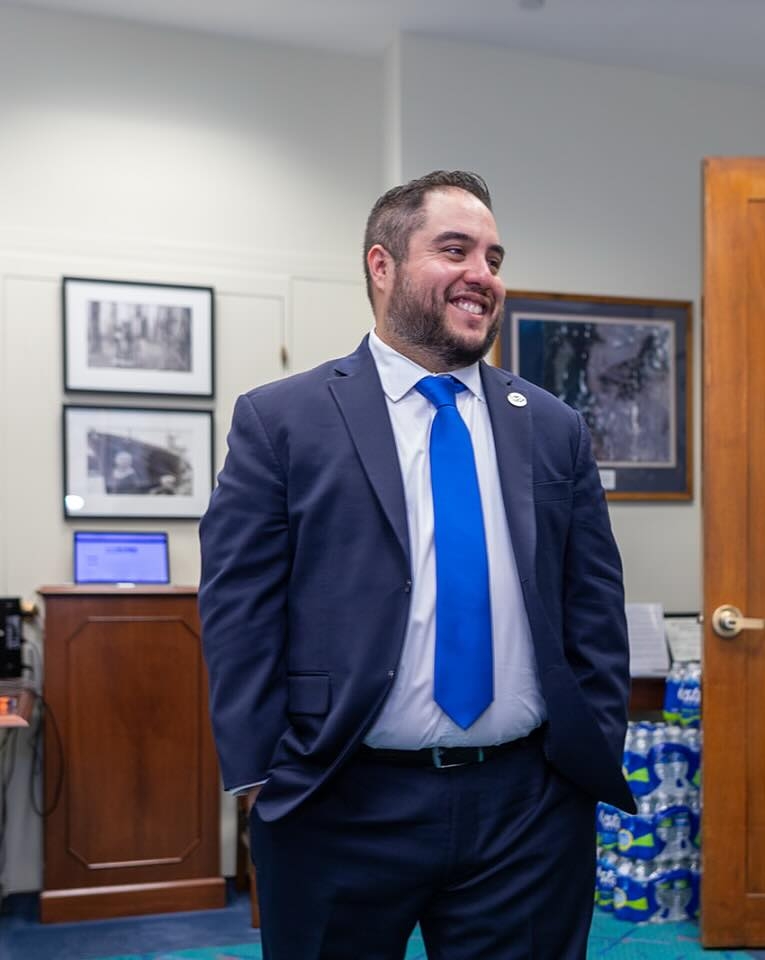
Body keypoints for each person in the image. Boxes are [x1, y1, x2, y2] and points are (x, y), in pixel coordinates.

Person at [199, 170, 633, 959]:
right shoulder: (283, 419)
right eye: (456, 250)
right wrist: (262, 777)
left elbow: (593, 606)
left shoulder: (554, 428)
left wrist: (588, 753)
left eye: (495, 258)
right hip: (338, 798)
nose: (484, 277)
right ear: (382, 265)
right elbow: (239, 611)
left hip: (527, 811)